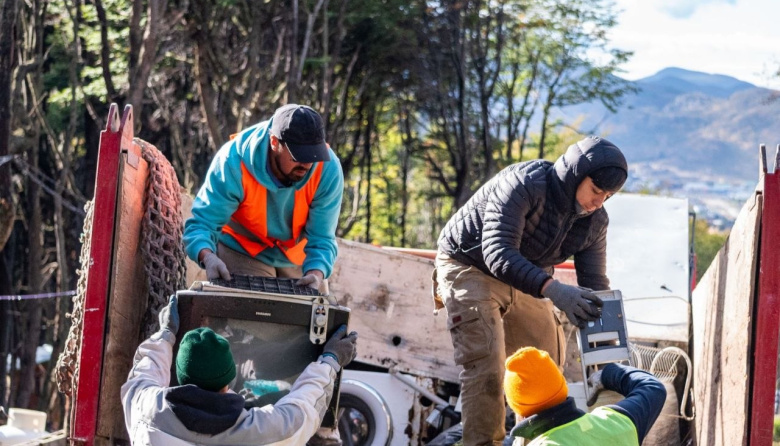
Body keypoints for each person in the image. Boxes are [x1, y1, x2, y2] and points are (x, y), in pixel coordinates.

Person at [433, 136, 628, 445]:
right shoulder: (523, 184)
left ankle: (538, 443)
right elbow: (498, 252)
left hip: (528, 276)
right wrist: (557, 291)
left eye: (608, 195)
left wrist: (604, 337)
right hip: (469, 264)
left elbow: (595, 285)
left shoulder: (595, 222)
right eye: (595, 190)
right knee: (487, 365)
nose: (598, 202)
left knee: (546, 367)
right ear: (576, 174)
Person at [121, 296, 358, 445]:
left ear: (179, 374)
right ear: (230, 378)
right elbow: (304, 408)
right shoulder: (262, 431)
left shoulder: (147, 409)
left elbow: (144, 372)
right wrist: (330, 360)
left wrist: (164, 335)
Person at [183, 104, 344, 293]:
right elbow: (202, 224)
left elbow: (322, 237)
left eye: (313, 155)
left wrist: (317, 273)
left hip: (298, 259)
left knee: (312, 313)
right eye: (299, 156)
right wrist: (208, 257)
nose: (307, 163)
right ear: (274, 142)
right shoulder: (232, 162)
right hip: (243, 251)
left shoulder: (328, 170)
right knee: (256, 315)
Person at [504, 347, 666, 445]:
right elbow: (652, 387)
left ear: (520, 412)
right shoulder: (614, 421)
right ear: (562, 388)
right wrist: (607, 374)